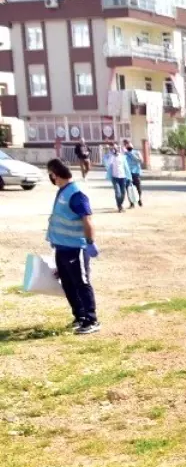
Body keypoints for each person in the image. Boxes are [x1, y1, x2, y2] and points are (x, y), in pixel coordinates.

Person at [45, 159, 101, 335]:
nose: (50, 178)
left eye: (51, 174)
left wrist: (90, 242)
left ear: (55, 174)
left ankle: (91, 320)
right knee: (68, 284)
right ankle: (80, 316)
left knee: (81, 283)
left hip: (76, 248)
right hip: (61, 247)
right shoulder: (63, 191)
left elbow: (87, 219)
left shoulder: (76, 193)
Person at [102, 142, 129, 213]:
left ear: (118, 148)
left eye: (116, 147)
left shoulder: (122, 156)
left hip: (123, 177)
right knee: (118, 193)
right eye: (113, 148)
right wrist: (111, 155)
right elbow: (107, 165)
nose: (115, 149)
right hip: (115, 178)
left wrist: (129, 177)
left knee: (123, 192)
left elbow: (126, 167)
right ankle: (119, 206)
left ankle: (120, 204)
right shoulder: (111, 157)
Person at [123, 140, 144, 208]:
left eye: (129, 144)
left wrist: (131, 154)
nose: (128, 146)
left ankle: (139, 199)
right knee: (128, 188)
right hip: (128, 173)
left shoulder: (136, 152)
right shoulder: (124, 154)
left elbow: (140, 160)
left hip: (136, 172)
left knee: (138, 187)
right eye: (127, 145)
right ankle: (131, 203)